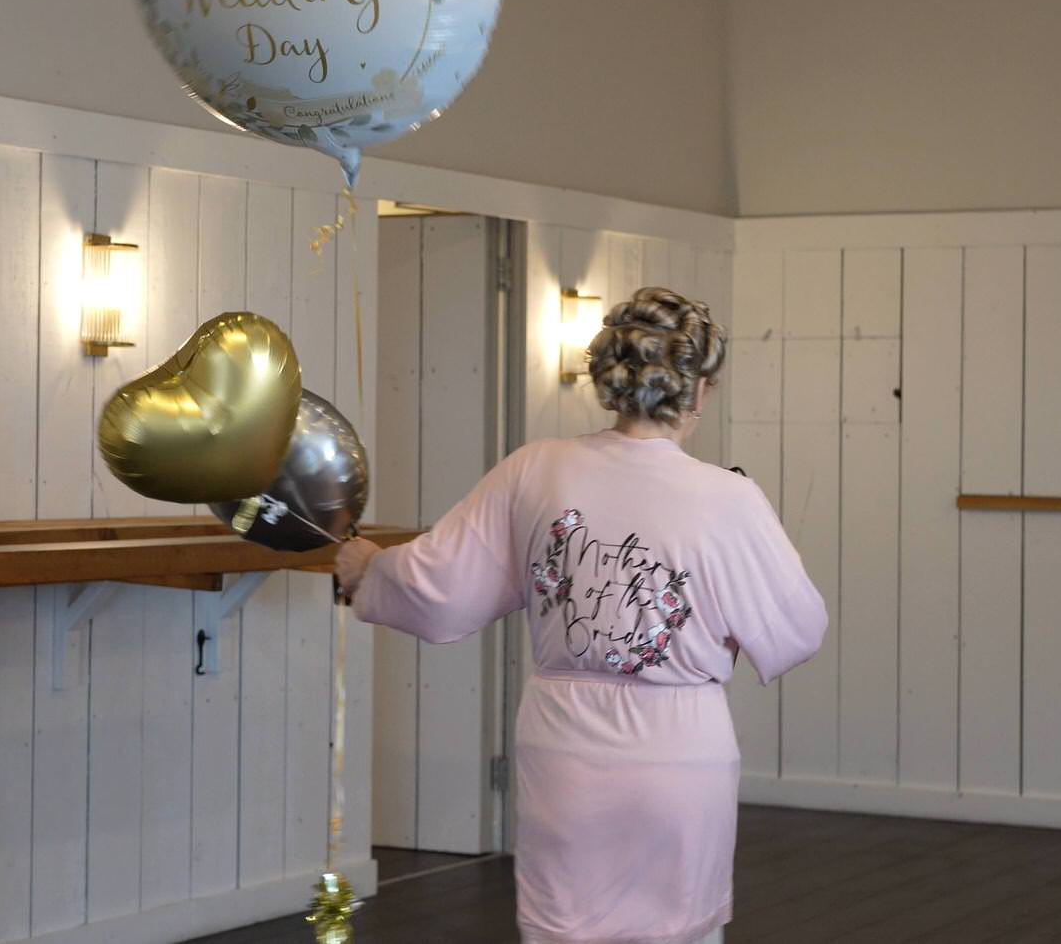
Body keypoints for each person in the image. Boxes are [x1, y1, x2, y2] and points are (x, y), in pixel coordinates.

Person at [335, 286, 828, 944]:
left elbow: (442, 586)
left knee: (564, 931)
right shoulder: (729, 498)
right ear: (699, 390)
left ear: (609, 377)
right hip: (681, 750)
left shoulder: (536, 470)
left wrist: (368, 568)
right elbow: (797, 629)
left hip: (566, 747)